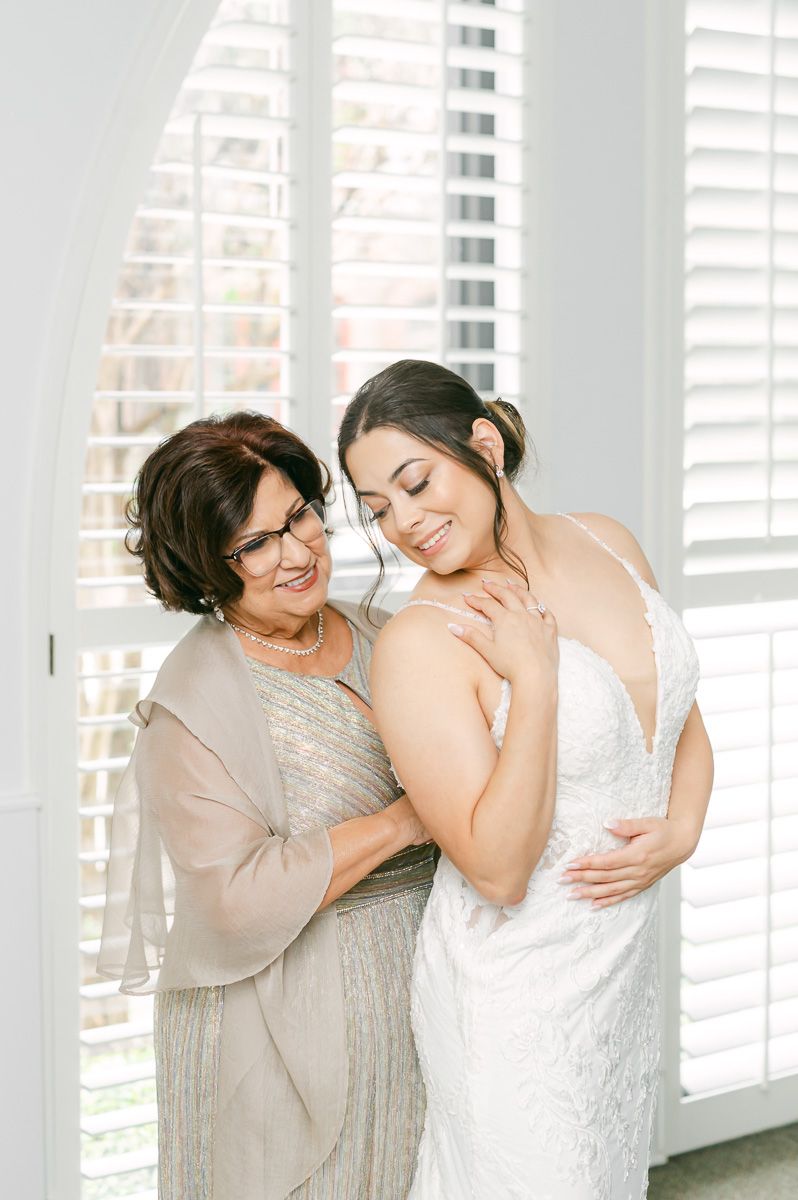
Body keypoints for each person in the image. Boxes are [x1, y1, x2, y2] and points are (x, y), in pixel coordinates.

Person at [338, 359, 714, 1200]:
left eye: (415, 482)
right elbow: (498, 870)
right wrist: (536, 681)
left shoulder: (608, 541)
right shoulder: (423, 641)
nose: (404, 522)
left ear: (483, 444)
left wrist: (682, 832)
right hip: (513, 997)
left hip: (617, 971)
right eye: (378, 510)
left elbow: (679, 720)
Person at [98, 411, 434, 1200]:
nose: (296, 552)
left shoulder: (387, 633)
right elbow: (230, 900)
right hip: (279, 1026)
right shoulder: (193, 704)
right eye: (255, 544)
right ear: (205, 565)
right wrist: (406, 821)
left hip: (420, 985)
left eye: (299, 516)